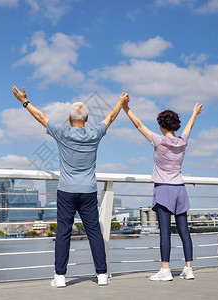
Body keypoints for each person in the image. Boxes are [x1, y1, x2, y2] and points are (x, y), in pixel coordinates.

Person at [12, 85, 129, 287]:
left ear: (69, 118)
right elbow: (109, 117)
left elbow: (40, 117)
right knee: (94, 232)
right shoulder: (94, 133)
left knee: (63, 232)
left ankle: (60, 277)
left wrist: (24, 101)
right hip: (89, 191)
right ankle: (102, 275)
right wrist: (120, 103)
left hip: (66, 191)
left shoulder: (62, 132)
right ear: (86, 119)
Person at [122, 99, 203, 281]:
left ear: (161, 126)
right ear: (175, 125)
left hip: (164, 189)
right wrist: (194, 113)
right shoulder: (183, 141)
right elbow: (189, 128)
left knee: (165, 231)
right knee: (184, 231)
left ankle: (165, 271)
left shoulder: (159, 140)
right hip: (180, 190)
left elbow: (138, 125)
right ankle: (188, 269)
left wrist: (126, 108)